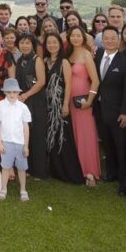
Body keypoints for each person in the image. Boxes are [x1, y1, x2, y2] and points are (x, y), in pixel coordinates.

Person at [94, 26, 126, 196]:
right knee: (107, 144)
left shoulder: (125, 62)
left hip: (118, 112)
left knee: (122, 148)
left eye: (113, 38)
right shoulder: (97, 56)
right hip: (100, 110)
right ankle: (111, 173)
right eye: (106, 38)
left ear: (118, 40)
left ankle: (125, 183)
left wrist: (125, 113)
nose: (109, 41)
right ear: (102, 40)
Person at [42, 31, 83, 184]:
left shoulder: (64, 62)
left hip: (59, 104)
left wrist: (65, 104)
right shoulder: (44, 61)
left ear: (60, 45)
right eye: (49, 43)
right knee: (51, 136)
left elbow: (68, 85)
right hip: (47, 105)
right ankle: (55, 170)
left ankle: (69, 173)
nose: (52, 45)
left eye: (55, 42)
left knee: (63, 138)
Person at [66, 26, 101, 186]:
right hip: (69, 100)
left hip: (83, 101)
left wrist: (89, 100)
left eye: (78, 35)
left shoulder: (86, 54)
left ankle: (89, 171)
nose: (75, 38)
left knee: (85, 134)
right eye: (73, 35)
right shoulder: (68, 54)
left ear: (83, 37)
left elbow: (95, 80)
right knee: (74, 134)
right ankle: (77, 168)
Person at [13, 32, 48, 179]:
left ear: (33, 45)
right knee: (26, 135)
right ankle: (27, 167)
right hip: (23, 101)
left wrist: (26, 95)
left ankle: (39, 171)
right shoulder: (19, 60)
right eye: (22, 43)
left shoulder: (37, 60)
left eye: (27, 43)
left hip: (36, 101)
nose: (24, 46)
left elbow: (41, 82)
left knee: (37, 135)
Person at [0, 79, 32, 201]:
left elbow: (26, 127)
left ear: (18, 92)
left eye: (14, 92)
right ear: (4, 92)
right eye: (9, 92)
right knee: (5, 167)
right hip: (6, 142)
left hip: (20, 143)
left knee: (21, 168)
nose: (11, 95)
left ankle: (23, 190)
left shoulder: (23, 107)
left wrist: (26, 146)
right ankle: (3, 189)